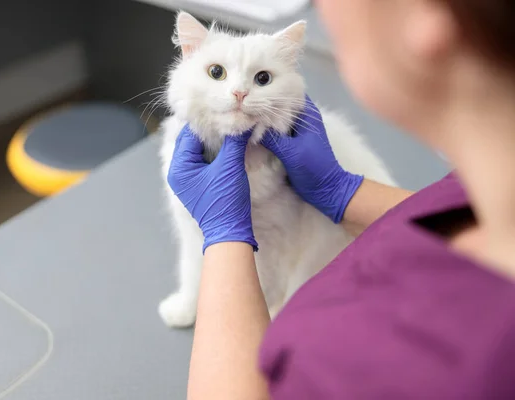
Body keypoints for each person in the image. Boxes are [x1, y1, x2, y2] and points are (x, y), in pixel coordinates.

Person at [166, 0, 515, 398]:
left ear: (430, 19)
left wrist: (225, 236)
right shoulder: (481, 189)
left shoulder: (343, 364)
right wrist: (341, 191)